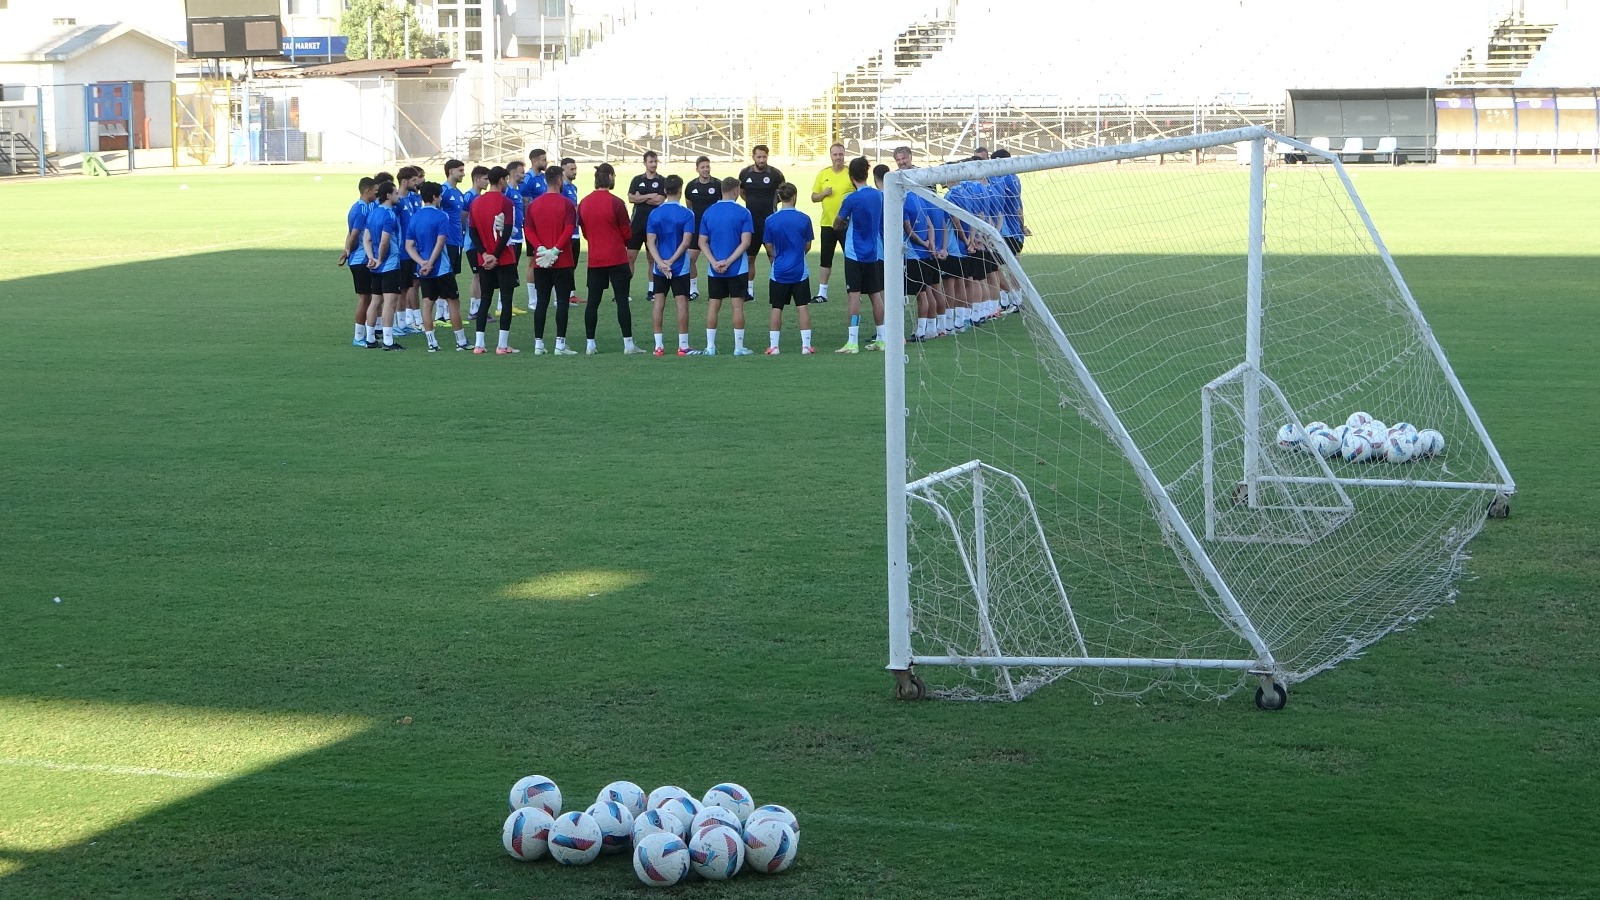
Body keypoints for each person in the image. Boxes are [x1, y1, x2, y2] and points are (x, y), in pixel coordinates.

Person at [577, 162, 642, 355]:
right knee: (622, 300)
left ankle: (590, 344)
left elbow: (586, 232)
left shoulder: (585, 203)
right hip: (616, 257)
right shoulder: (616, 202)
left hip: (595, 258)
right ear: (611, 178)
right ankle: (628, 344)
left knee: (593, 301)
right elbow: (626, 233)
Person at [405, 181, 467, 352]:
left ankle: (431, 342)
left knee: (427, 303)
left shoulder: (415, 217)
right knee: (453, 302)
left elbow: (409, 245)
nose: (441, 198)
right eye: (439, 195)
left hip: (423, 269)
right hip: (441, 267)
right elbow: (440, 244)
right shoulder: (441, 216)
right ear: (434, 197)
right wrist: (431, 263)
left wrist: (421, 262)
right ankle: (460, 341)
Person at [832, 157, 885, 353]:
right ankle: (882, 338)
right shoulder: (878, 196)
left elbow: (837, 223)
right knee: (875, 294)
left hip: (855, 254)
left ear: (850, 176)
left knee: (854, 296)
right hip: (874, 252)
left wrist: (844, 224)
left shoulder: (851, 199)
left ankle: (852, 341)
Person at [698, 176, 755, 356]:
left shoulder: (709, 212)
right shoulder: (744, 212)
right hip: (737, 267)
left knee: (713, 306)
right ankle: (738, 347)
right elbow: (745, 242)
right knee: (737, 306)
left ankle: (710, 347)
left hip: (715, 269)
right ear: (736, 191)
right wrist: (729, 262)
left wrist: (714, 262)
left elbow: (702, 242)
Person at [525, 166, 580, 355]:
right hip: (562, 260)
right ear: (559, 180)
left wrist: (540, 248)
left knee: (542, 302)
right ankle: (560, 344)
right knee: (562, 302)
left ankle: (538, 344)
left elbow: (529, 230)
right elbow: (568, 229)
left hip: (540, 261)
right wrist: (556, 250)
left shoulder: (534, 204)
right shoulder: (566, 204)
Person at [645, 174, 700, 357]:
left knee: (658, 303)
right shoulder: (687, 213)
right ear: (680, 189)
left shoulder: (655, 213)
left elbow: (651, 242)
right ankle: (683, 346)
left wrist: (661, 263)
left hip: (659, 267)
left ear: (664, 190)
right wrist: (671, 261)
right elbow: (685, 243)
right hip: (679, 266)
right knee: (681, 303)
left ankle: (658, 346)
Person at [467, 165, 519, 354]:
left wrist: (485, 254)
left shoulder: (476, 202)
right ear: (502, 180)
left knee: (485, 300)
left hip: (484, 260)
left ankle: (479, 344)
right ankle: (502, 345)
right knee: (506, 300)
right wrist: (496, 255)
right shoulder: (506, 202)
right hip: (504, 259)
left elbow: (472, 232)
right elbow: (506, 232)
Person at [761, 183, 815, 354]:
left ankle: (774, 346)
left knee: (776, 307)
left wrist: (777, 257)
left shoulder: (771, 220)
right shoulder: (804, 218)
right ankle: (806, 346)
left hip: (778, 271)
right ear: (795, 196)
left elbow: (768, 245)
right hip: (799, 270)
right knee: (802, 306)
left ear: (780, 198)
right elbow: (807, 245)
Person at [361, 181, 405, 350]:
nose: (398, 196)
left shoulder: (372, 213)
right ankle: (388, 341)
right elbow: (385, 241)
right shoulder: (389, 215)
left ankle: (370, 338)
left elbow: (367, 239)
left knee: (375, 301)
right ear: (388, 196)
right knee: (389, 302)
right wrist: (379, 259)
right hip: (389, 265)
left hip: (375, 266)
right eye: (395, 193)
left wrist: (371, 258)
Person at [737, 144, 785, 300]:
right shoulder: (745, 173)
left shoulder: (776, 174)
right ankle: (749, 291)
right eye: (759, 157)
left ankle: (778, 287)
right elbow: (742, 191)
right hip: (751, 224)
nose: (762, 160)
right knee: (750, 258)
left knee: (774, 256)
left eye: (764, 157)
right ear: (753, 157)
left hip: (771, 223)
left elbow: (784, 192)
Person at [809, 142, 852, 303]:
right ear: (831, 156)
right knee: (826, 259)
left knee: (850, 258)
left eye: (840, 154)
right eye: (835, 154)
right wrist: (823, 194)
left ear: (844, 155)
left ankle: (853, 289)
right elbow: (813, 197)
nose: (838, 158)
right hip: (827, 224)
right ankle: (822, 292)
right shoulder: (823, 174)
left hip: (847, 225)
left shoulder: (850, 173)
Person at [338, 176, 378, 347]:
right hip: (360, 260)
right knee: (365, 298)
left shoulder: (360, 207)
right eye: (375, 190)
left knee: (368, 298)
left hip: (359, 258)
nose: (377, 193)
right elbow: (354, 234)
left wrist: (346, 251)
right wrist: (348, 251)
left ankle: (368, 334)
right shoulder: (362, 209)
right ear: (367, 190)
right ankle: (359, 337)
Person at [436, 159, 468, 326]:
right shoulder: (444, 190)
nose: (463, 173)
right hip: (447, 240)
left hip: (458, 240)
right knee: (446, 275)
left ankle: (445, 314)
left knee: (452, 274)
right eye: (460, 170)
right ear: (450, 171)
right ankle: (441, 315)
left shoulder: (458, 193)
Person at [683, 156, 719, 301]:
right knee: (690, 259)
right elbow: (688, 204)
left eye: (707, 166)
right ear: (697, 169)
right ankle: (693, 289)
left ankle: (718, 288)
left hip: (714, 228)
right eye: (703, 167)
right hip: (697, 227)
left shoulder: (718, 184)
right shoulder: (691, 186)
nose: (706, 169)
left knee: (717, 258)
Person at [626, 151, 667, 276]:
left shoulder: (662, 181)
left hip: (654, 225)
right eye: (651, 162)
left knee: (652, 259)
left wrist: (640, 197)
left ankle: (652, 291)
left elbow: (659, 200)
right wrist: (650, 195)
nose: (654, 164)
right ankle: (625, 293)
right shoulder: (637, 180)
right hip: (637, 225)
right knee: (630, 258)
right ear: (645, 163)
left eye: (655, 161)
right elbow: (631, 198)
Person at [462, 165, 490, 321]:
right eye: (485, 179)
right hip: (472, 243)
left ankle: (480, 309)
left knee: (481, 275)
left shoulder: (480, 197)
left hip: (480, 242)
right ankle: (474, 310)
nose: (487, 182)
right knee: (477, 275)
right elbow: (463, 217)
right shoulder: (469, 196)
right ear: (477, 179)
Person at [503, 160, 528, 316]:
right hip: (511, 238)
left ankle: (508, 303)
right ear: (513, 173)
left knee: (512, 272)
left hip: (518, 236)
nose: (524, 175)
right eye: (522, 172)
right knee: (508, 272)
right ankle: (502, 305)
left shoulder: (517, 192)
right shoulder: (507, 192)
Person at [560, 157, 583, 307]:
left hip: (576, 231)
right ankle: (563, 295)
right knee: (565, 265)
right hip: (566, 232)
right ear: (563, 170)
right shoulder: (561, 188)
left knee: (572, 264)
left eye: (575, 169)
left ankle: (570, 294)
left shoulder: (573, 188)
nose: (575, 172)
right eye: (571, 169)